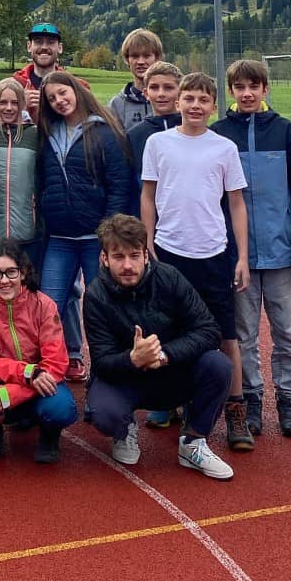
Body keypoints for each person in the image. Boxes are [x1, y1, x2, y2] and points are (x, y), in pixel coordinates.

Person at [141, 72, 253, 452]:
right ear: (178, 102)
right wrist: (147, 244)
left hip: (214, 255)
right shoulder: (158, 143)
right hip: (169, 252)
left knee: (226, 336)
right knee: (169, 331)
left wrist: (242, 257)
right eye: (188, 98)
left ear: (213, 105)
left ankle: (236, 410)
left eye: (203, 100)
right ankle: (171, 401)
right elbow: (148, 195)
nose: (194, 105)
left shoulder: (224, 148)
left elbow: (236, 204)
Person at [83, 214, 234, 480]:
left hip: (171, 371)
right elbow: (102, 361)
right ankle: (123, 429)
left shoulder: (170, 278)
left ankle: (193, 442)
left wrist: (163, 355)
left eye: (134, 255)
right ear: (104, 258)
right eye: (118, 257)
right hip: (125, 378)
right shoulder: (96, 295)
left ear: (145, 254)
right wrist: (133, 359)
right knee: (103, 412)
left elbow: (209, 330)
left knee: (218, 364)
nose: (127, 265)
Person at [211, 59, 291, 439]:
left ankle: (287, 397)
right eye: (240, 87)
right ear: (231, 91)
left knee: (289, 333)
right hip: (238, 258)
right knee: (244, 334)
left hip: (281, 254)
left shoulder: (285, 131)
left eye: (254, 86)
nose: (248, 93)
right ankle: (251, 397)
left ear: (265, 89)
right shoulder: (219, 135)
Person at [37, 71, 135, 384]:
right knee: (49, 305)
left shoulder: (104, 132)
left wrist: (108, 235)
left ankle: (106, 375)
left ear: (76, 90)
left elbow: (119, 185)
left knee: (101, 307)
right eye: (52, 98)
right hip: (60, 238)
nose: (59, 101)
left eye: (62, 93)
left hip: (96, 238)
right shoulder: (48, 133)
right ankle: (55, 369)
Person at [0, 239, 78, 465]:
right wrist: (26, 372)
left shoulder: (44, 305)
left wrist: (14, 393)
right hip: (11, 379)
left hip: (39, 381)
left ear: (23, 272)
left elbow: (56, 362)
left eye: (11, 272)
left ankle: (49, 437)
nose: (4, 280)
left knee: (61, 408)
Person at [125, 59, 183, 428]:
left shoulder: (194, 127)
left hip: (190, 237)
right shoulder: (137, 134)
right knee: (158, 318)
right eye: (155, 89)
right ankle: (166, 398)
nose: (161, 95)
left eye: (168, 88)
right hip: (154, 238)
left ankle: (191, 392)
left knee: (189, 317)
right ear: (145, 92)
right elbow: (136, 189)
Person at [0, 79, 42, 265]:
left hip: (28, 232)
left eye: (14, 102)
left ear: (22, 104)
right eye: (3, 102)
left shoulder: (35, 135)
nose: (8, 108)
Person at [108, 28, 164, 131]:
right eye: (135, 56)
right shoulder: (117, 104)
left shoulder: (169, 100)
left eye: (146, 56)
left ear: (157, 58)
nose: (141, 61)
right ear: (127, 60)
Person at [13, 22, 66, 123]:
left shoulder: (76, 87)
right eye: (38, 42)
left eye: (51, 42)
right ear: (29, 46)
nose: (44, 47)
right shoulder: (14, 86)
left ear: (59, 48)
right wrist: (20, 106)